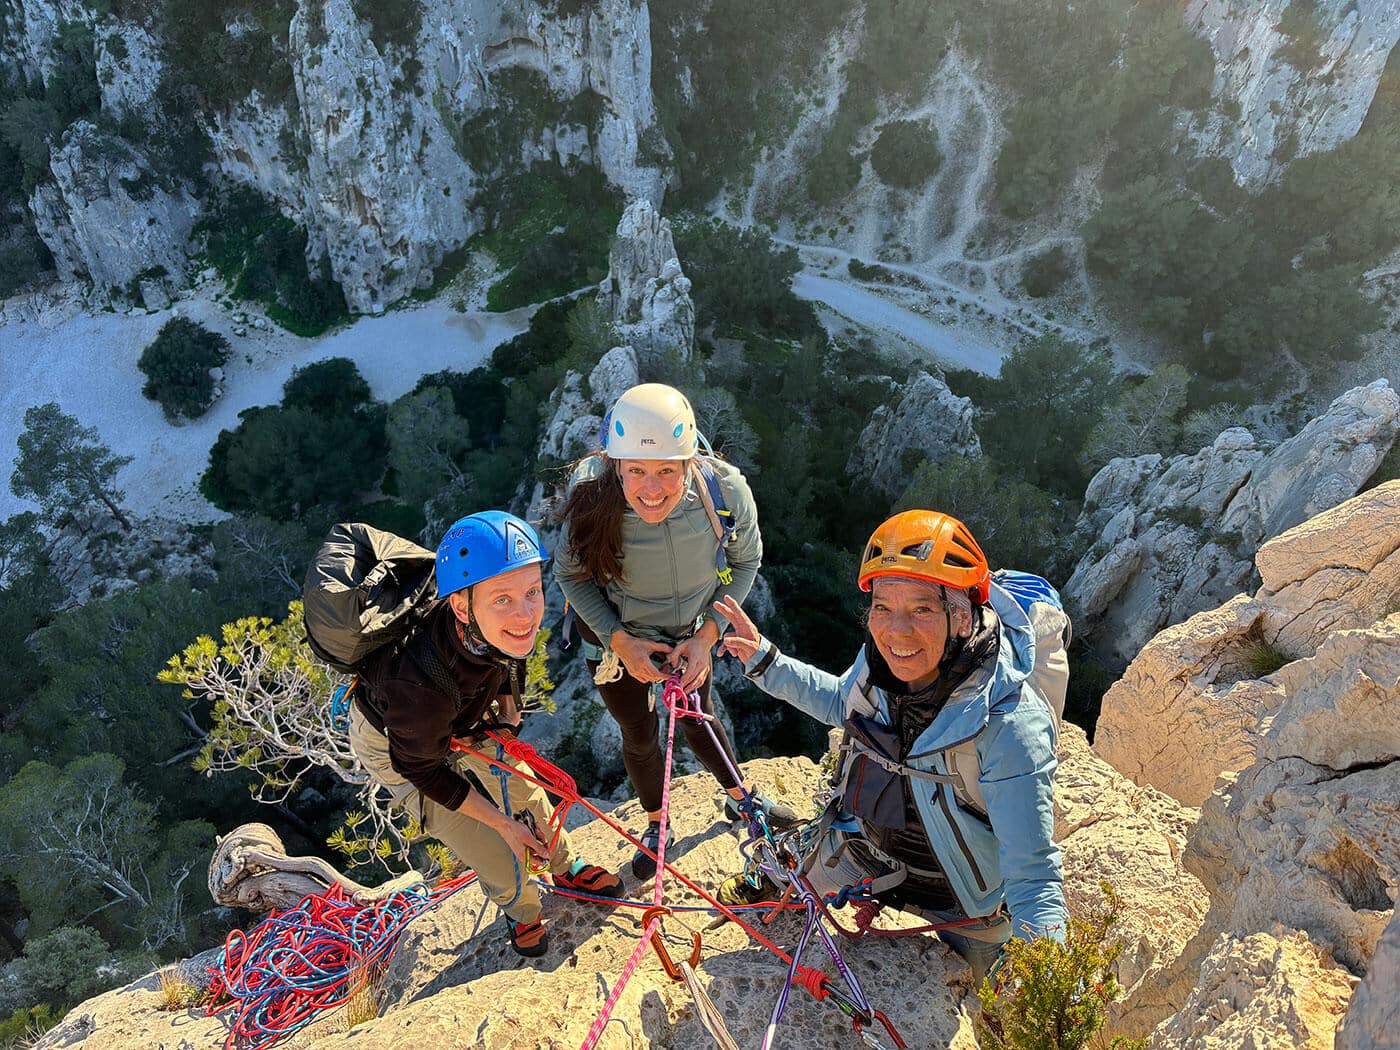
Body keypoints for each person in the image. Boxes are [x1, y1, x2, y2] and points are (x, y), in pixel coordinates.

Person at [713, 509, 1069, 982]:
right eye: (883, 607)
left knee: (997, 1004)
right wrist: (764, 658)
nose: (897, 631)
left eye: (922, 608)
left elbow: (1034, 878)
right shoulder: (883, 662)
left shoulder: (1007, 724)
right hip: (871, 852)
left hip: (962, 897)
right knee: (787, 889)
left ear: (961, 617)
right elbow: (841, 702)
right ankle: (792, 863)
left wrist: (1049, 991)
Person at [347, 510, 623, 958]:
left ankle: (565, 865)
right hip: (400, 745)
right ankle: (521, 909)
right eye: (503, 600)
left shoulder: (495, 629)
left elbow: (512, 656)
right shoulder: (414, 683)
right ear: (461, 605)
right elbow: (424, 769)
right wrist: (503, 824)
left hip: (467, 712)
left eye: (533, 592)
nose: (526, 614)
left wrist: (509, 716)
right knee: (491, 845)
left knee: (528, 791)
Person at [554, 383, 800, 879]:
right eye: (637, 471)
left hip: (689, 636)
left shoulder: (724, 492)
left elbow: (746, 560)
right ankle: (655, 823)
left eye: (667, 470)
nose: (651, 488)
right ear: (616, 466)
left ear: (690, 463)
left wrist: (707, 635)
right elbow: (571, 576)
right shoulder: (591, 500)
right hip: (614, 643)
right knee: (638, 733)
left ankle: (742, 802)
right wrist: (620, 642)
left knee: (698, 717)